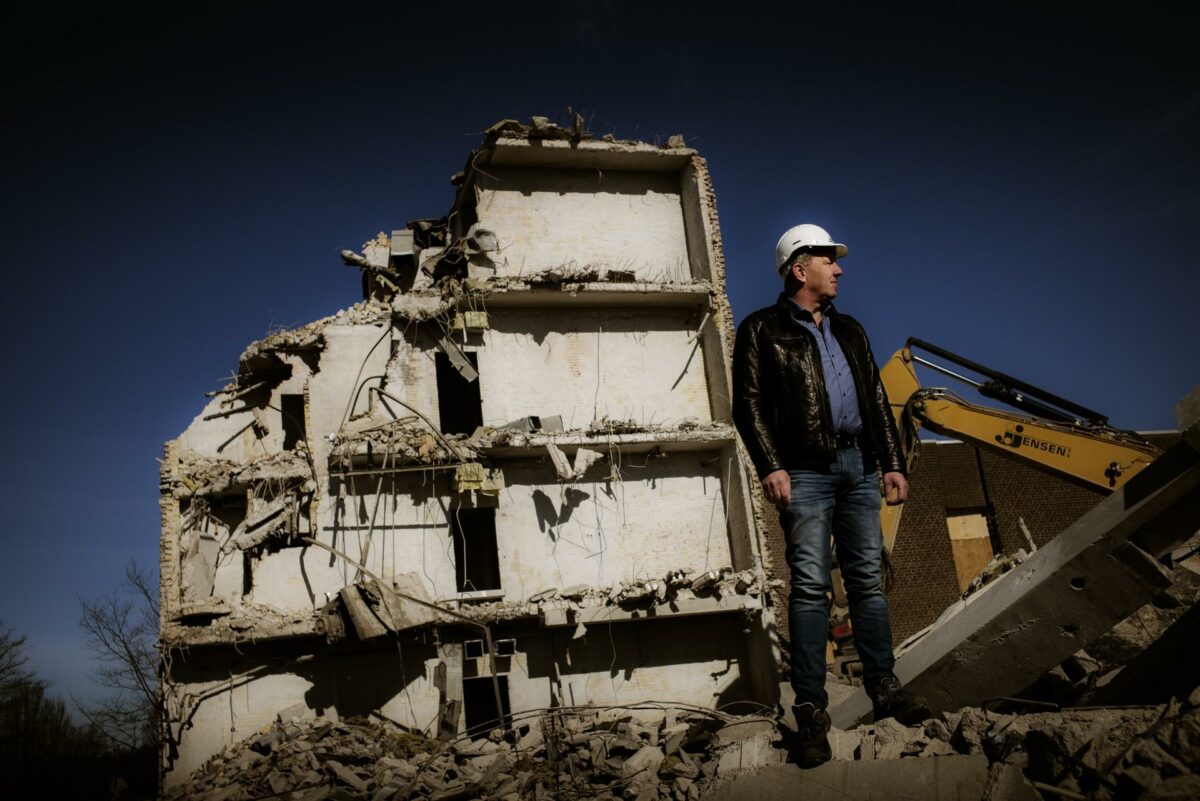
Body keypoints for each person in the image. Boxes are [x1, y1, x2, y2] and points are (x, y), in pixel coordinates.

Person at [732, 223, 929, 767]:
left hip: (859, 467)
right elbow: (746, 405)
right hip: (806, 474)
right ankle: (812, 712)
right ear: (801, 269)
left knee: (867, 580)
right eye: (828, 260)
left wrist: (890, 461)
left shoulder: (853, 331)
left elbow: (875, 395)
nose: (839, 269)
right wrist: (771, 464)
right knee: (811, 586)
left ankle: (884, 690)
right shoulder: (760, 330)